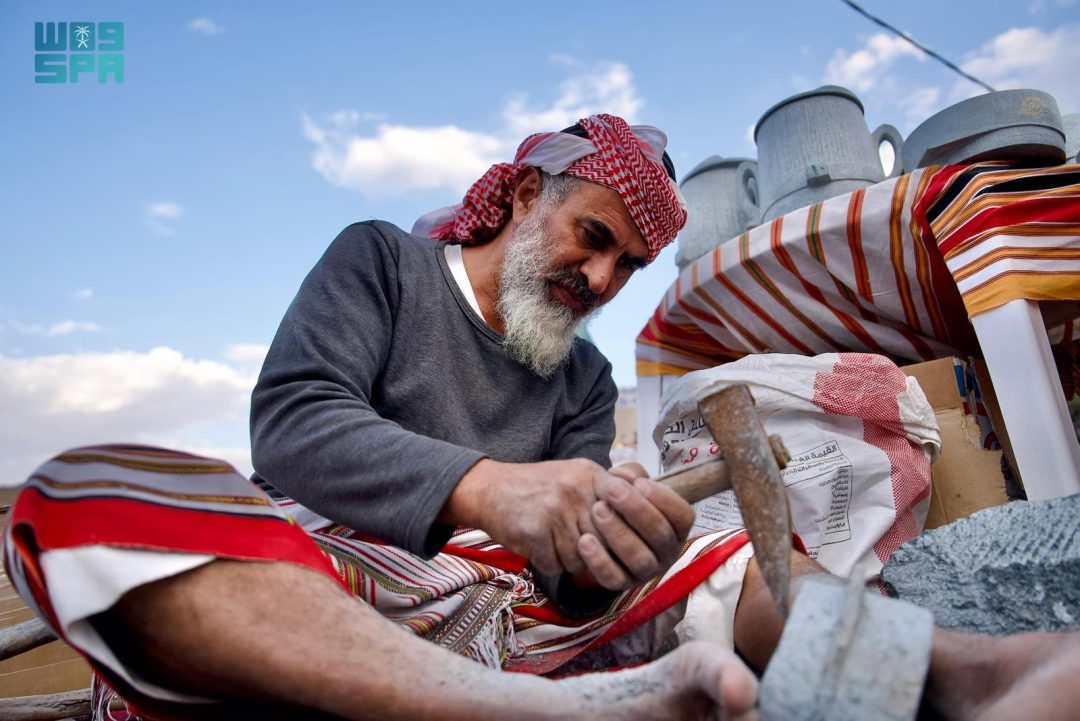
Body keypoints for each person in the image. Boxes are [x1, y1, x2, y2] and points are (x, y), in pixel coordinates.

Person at [7, 113, 1080, 720]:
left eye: (625, 263)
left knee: (721, 565)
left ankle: (965, 677)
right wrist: (490, 489)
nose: (602, 275)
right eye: (591, 234)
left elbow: (572, 580)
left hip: (514, 621)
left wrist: (609, 537)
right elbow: (291, 423)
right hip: (333, 591)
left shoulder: (582, 374)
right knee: (77, 493)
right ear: (523, 197)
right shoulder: (380, 263)